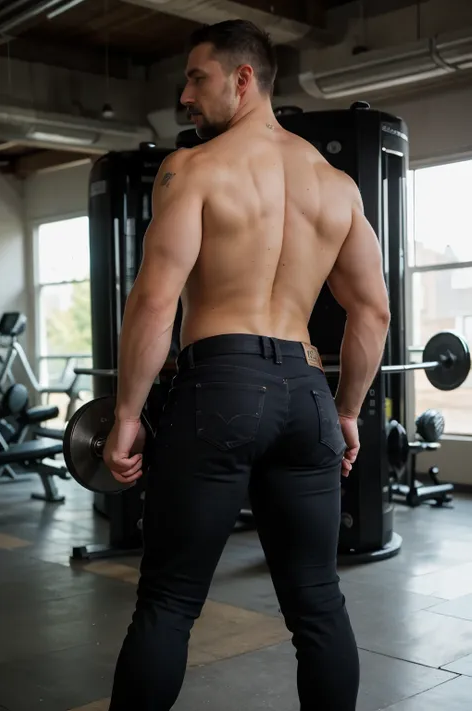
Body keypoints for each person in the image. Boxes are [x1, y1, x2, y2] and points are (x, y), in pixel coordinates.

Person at [103, 18, 391, 711]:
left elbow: (154, 302)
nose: (184, 96)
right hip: (305, 393)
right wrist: (346, 410)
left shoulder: (194, 169)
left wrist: (125, 416)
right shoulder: (338, 185)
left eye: (196, 78)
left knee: (169, 602)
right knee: (318, 602)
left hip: (220, 383)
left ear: (243, 79)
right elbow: (373, 312)